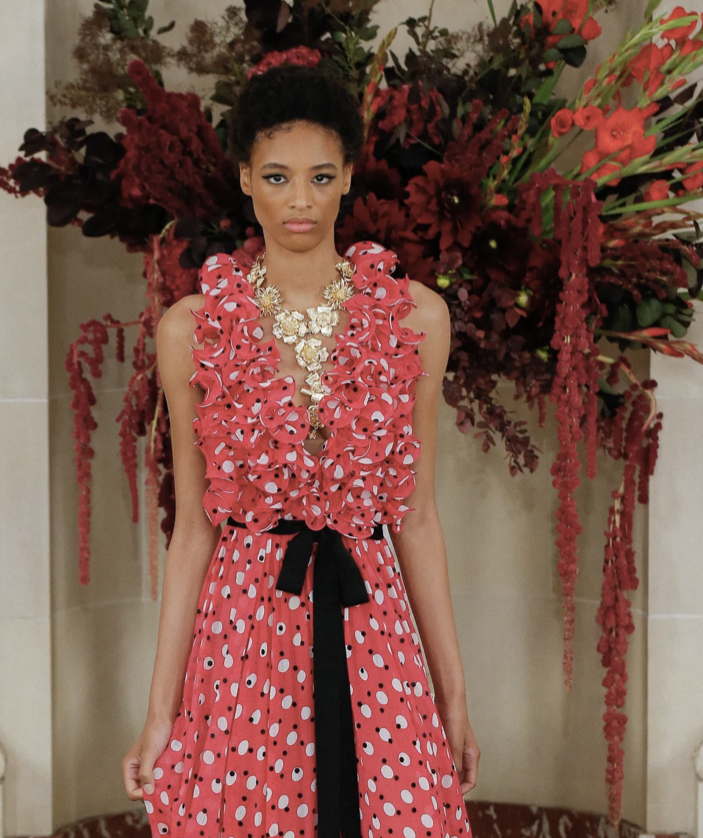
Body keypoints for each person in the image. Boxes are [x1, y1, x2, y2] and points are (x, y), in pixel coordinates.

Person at [122, 62, 480, 838]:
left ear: (348, 178)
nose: (300, 200)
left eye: (321, 177)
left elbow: (416, 518)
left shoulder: (417, 318)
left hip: (371, 632)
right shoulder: (192, 329)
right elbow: (193, 531)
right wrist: (160, 714)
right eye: (278, 177)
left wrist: (453, 695)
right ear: (247, 179)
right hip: (243, 636)